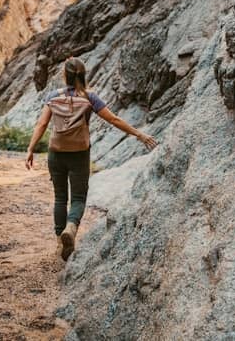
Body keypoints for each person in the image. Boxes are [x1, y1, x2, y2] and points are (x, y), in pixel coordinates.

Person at [25, 57, 157, 261]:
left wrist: (30, 149)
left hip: (56, 153)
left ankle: (60, 241)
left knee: (60, 197)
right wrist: (139, 134)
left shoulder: (52, 97)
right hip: (79, 154)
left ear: (65, 75)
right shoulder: (89, 98)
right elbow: (114, 119)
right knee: (78, 198)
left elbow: (41, 124)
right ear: (83, 75)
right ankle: (71, 227)